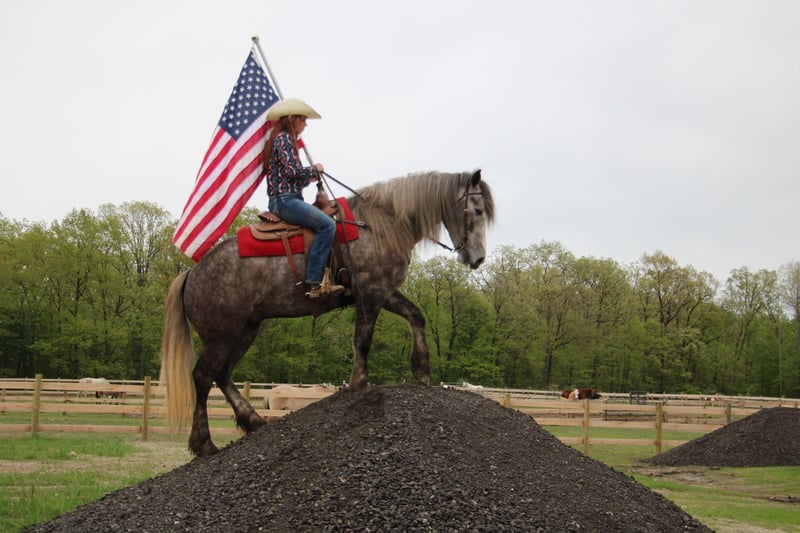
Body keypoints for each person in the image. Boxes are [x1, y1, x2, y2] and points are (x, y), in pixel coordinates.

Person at [262, 98, 344, 299]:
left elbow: (296, 178)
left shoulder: (284, 141)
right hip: (285, 201)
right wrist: (314, 169)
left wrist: (312, 176)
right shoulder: (284, 140)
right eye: (303, 120)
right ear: (293, 119)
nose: (305, 125)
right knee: (327, 225)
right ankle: (315, 282)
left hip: (289, 198)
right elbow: (294, 173)